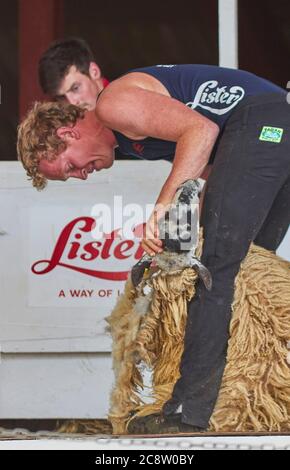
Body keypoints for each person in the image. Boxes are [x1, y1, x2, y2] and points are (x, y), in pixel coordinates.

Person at [17, 64, 290, 433]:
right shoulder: (131, 141)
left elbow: (201, 131)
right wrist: (188, 227)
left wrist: (160, 213)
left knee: (214, 272)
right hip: (271, 128)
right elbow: (214, 169)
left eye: (69, 168)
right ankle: (244, 402)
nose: (80, 176)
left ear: (67, 133)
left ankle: (189, 414)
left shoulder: (112, 105)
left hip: (264, 121)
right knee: (246, 275)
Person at [38, 37, 109, 110]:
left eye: (75, 88)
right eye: (62, 97)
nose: (72, 103)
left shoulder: (120, 107)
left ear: (94, 72)